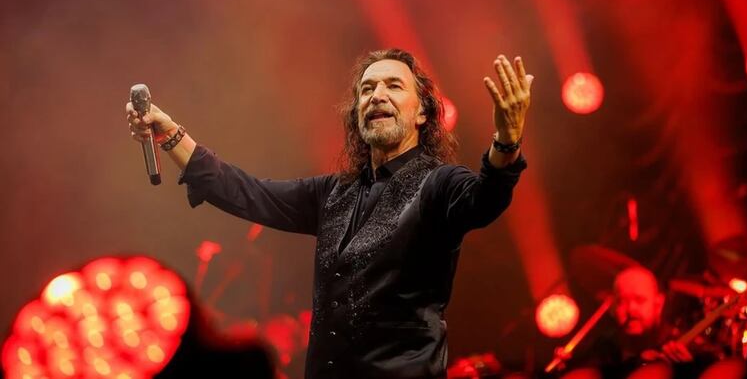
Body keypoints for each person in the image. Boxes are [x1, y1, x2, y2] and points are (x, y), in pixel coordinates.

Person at [125, 49, 533, 379]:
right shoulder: (334, 192)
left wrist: (506, 141)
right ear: (357, 114)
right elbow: (246, 192)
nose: (377, 95)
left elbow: (485, 199)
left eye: (393, 86)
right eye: (367, 89)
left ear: (422, 112)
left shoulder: (438, 183)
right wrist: (170, 133)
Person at [563, 266, 701, 379]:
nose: (630, 310)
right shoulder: (603, 348)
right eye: (622, 301)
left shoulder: (684, 348)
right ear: (613, 308)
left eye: (640, 300)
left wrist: (687, 373)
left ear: (658, 304)